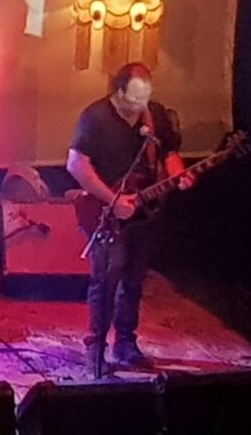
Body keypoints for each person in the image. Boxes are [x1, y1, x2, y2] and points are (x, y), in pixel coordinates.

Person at [67, 63, 191, 378]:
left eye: (145, 98)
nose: (140, 106)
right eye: (134, 98)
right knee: (105, 281)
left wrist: (179, 174)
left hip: (143, 214)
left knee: (134, 280)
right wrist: (113, 200)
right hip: (106, 213)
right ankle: (95, 351)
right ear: (118, 90)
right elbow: (76, 164)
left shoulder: (156, 116)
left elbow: (170, 154)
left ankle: (125, 344)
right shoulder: (94, 118)